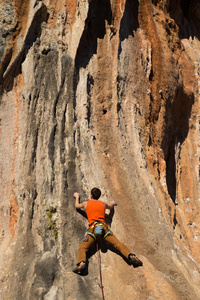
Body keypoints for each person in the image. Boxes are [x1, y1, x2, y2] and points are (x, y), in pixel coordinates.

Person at [73, 187, 143, 274]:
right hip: (104, 228)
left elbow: (77, 207)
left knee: (83, 248)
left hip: (93, 229)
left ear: (91, 195)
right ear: (99, 196)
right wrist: (112, 203)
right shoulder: (103, 204)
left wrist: (77, 197)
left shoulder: (86, 203)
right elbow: (110, 208)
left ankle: (82, 263)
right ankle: (131, 256)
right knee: (118, 244)